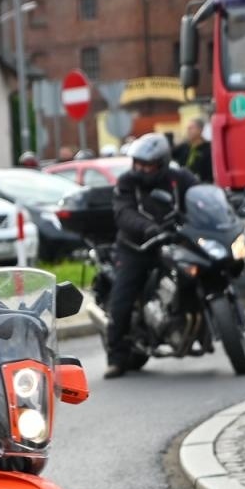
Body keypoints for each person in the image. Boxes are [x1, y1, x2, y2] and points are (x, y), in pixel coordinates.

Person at [105, 132, 199, 379]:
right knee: (122, 296)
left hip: (173, 241)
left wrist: (223, 204)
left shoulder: (180, 178)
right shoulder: (126, 183)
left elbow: (200, 196)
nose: (142, 168)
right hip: (136, 246)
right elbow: (123, 213)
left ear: (163, 163)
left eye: (148, 164)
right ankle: (115, 356)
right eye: (138, 163)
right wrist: (147, 228)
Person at [173, 118, 214, 183]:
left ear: (200, 130)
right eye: (188, 128)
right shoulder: (183, 147)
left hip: (203, 184)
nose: (188, 131)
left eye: (191, 128)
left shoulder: (209, 148)